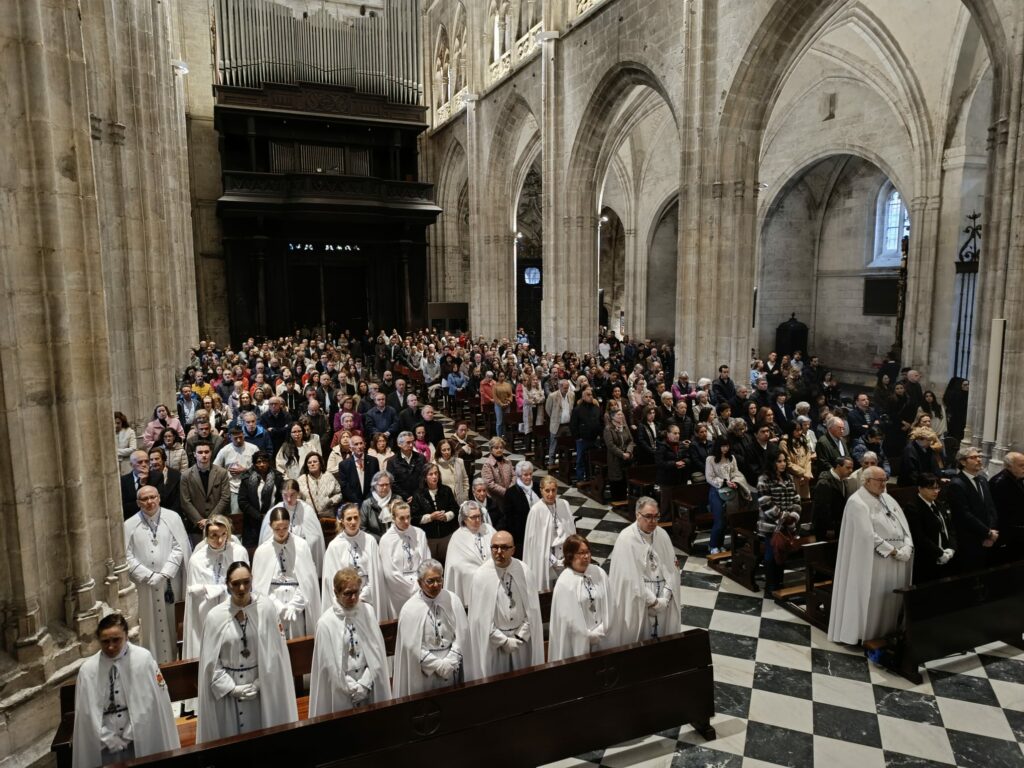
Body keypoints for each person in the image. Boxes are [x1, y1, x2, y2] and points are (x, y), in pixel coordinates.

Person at [197, 562, 297, 742]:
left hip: (261, 690)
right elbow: (210, 662)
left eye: (246, 582)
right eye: (236, 583)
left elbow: (275, 654)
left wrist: (259, 683)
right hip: (228, 696)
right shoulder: (215, 616)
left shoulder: (266, 608)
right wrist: (231, 688)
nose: (242, 588)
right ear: (227, 584)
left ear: (252, 580)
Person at [71, 613, 179, 768]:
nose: (111, 646)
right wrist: (107, 738)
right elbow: (86, 714)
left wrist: (130, 734)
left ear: (126, 636)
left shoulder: (143, 660)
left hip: (140, 740)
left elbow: (151, 704)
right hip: (104, 747)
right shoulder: (88, 671)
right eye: (105, 641)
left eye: (116, 640)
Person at [827, 467, 914, 645]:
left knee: (892, 597)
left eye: (885, 479)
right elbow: (866, 535)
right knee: (873, 598)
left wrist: (907, 545)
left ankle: (888, 632)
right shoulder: (857, 502)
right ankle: (867, 635)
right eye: (879, 480)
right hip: (875, 560)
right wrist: (894, 551)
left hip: (898, 559)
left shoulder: (888, 499)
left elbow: (904, 525)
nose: (884, 483)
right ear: (866, 481)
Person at [308, 567, 392, 717]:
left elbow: (376, 653)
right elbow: (330, 666)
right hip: (342, 689)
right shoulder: (325, 623)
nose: (353, 598)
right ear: (336, 593)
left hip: (369, 684)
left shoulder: (368, 611)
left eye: (356, 592)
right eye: (347, 593)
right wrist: (353, 689)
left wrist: (365, 684)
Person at [124, 486, 192, 663]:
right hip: (144, 586)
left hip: (170, 583)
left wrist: (164, 574)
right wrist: (148, 576)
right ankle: (151, 664)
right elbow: (126, 556)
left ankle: (174, 662)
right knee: (148, 626)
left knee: (172, 622)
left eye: (152, 497)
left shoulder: (173, 518)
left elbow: (179, 547)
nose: (149, 502)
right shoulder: (129, 525)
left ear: (159, 498)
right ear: (138, 503)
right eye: (144, 499)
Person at [468, 530, 544, 677]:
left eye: (504, 547)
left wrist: (520, 636)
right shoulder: (481, 576)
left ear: (513, 550)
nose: (499, 552)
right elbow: (480, 620)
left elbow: (532, 611)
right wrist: (503, 641)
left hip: (521, 642)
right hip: (494, 645)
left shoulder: (524, 570)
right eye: (495, 547)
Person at [393, 560, 473, 696]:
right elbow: (411, 646)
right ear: (420, 583)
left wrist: (450, 661)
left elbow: (462, 634)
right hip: (425, 672)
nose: (436, 585)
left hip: (452, 667)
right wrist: (438, 665)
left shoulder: (453, 600)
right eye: (430, 581)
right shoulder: (410, 608)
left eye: (439, 580)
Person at [609, 496, 680, 643]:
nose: (652, 521)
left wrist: (665, 598)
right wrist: (653, 601)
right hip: (639, 601)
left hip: (663, 601)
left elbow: (673, 570)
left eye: (656, 516)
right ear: (637, 515)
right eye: (648, 516)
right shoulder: (626, 539)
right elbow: (629, 580)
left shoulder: (662, 535)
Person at [183, 514, 249, 661]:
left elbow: (246, 585)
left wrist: (215, 589)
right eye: (213, 535)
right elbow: (197, 600)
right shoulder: (196, 560)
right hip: (207, 617)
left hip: (235, 612)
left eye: (223, 534)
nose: (219, 540)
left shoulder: (239, 552)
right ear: (206, 535)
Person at [252, 507, 321, 639]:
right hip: (273, 608)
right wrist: (276, 605)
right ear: (270, 526)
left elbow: (308, 582)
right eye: (277, 528)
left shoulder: (301, 545)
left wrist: (295, 605)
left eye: (285, 527)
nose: (281, 532)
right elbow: (259, 587)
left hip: (296, 609)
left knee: (298, 645)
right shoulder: (262, 551)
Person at [548, 535, 611, 661]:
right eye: (581, 553)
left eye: (588, 552)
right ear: (570, 555)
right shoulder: (564, 582)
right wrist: (587, 636)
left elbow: (610, 605)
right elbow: (567, 620)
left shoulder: (599, 573)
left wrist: (601, 630)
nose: (586, 556)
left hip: (603, 637)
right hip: (576, 644)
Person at [322, 503, 389, 619]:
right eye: (349, 519)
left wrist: (363, 595)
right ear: (342, 521)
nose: (353, 522)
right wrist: (352, 595)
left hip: (369, 597)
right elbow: (332, 578)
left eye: (356, 517)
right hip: (347, 598)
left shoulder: (370, 541)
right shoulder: (334, 546)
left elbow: (376, 574)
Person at [257, 478, 326, 578]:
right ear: (281, 494)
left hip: (301, 558)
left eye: (292, 495)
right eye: (285, 495)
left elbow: (316, 538)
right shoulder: (275, 511)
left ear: (298, 493)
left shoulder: (307, 510)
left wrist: (299, 545)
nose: (289, 499)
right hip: (279, 558)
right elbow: (266, 540)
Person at [946, 446, 1000, 571]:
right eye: (974, 457)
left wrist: (991, 531)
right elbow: (964, 514)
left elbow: (991, 508)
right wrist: (987, 533)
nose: (979, 460)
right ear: (963, 462)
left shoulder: (982, 480)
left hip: (988, 535)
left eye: (979, 457)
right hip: (970, 538)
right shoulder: (956, 484)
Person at [757, 450, 803, 592]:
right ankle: (771, 586)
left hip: (787, 524)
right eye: (779, 461)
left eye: (784, 461)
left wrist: (793, 515)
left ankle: (779, 583)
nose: (783, 464)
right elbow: (765, 503)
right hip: (771, 525)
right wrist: (783, 517)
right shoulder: (764, 479)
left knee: (782, 554)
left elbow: (796, 499)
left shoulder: (788, 477)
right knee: (771, 556)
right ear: (772, 463)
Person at [523, 475, 577, 591]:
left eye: (553, 490)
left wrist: (567, 556)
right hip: (546, 559)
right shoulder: (536, 510)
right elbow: (535, 544)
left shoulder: (564, 504)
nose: (551, 494)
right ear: (541, 491)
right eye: (547, 490)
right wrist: (553, 561)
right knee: (549, 592)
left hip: (565, 556)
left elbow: (571, 531)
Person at [379, 501, 431, 616]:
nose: (406, 521)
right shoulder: (386, 540)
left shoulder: (419, 533)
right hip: (398, 592)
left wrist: (419, 584)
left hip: (421, 586)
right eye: (402, 518)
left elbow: (426, 562)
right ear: (393, 518)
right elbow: (390, 573)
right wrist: (412, 589)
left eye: (408, 517)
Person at [906, 474, 958, 583]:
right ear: (920, 488)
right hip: (927, 559)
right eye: (931, 488)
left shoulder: (939, 504)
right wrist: (939, 553)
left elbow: (950, 528)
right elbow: (919, 536)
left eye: (937, 488)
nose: (936, 491)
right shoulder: (913, 507)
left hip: (947, 555)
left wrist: (951, 548)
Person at [705, 435, 751, 555]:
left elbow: (736, 473)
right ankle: (712, 545)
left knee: (726, 520)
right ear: (718, 446)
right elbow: (709, 477)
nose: (725, 448)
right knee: (719, 520)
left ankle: (720, 544)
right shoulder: (710, 459)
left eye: (727, 446)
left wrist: (735, 481)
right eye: (723, 446)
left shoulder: (731, 458)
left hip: (730, 491)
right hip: (716, 491)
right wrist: (725, 482)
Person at [444, 501, 495, 605]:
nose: (478, 520)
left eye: (479, 516)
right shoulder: (457, 537)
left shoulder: (488, 529)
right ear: (464, 519)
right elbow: (455, 565)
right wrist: (478, 572)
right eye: (473, 517)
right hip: (470, 581)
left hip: (492, 577)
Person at [180, 442, 231, 540]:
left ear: (211, 453)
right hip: (196, 524)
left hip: (218, 523)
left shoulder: (222, 473)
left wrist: (210, 520)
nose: (203, 455)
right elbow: (185, 501)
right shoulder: (186, 475)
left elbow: (225, 497)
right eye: (200, 452)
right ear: (195, 454)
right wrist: (199, 520)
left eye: (206, 452)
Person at [412, 462, 461, 561]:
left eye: (436, 473)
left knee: (447, 561)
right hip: (428, 537)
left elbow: (455, 509)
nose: (434, 476)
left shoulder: (446, 490)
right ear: (425, 477)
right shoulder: (418, 494)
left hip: (446, 535)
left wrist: (446, 516)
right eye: (430, 474)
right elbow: (414, 518)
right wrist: (430, 517)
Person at [237, 451, 282, 549]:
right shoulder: (247, 477)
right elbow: (242, 501)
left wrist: (271, 515)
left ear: (269, 462)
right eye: (259, 462)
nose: (262, 464)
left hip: (272, 519)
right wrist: (258, 516)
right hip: (252, 521)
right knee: (253, 550)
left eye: (264, 461)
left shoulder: (277, 477)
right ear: (254, 464)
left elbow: (280, 499)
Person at [213, 425, 258, 516]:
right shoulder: (225, 451)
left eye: (240, 437)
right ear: (230, 437)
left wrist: (245, 470)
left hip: (251, 487)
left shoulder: (253, 449)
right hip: (233, 488)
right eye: (235, 438)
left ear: (243, 435)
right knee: (236, 516)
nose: (238, 440)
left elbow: (260, 467)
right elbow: (215, 468)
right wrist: (225, 474)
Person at [989, 451, 1024, 559]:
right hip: (1006, 532)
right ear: (1009, 466)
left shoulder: (1018, 477)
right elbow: (995, 511)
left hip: (1018, 529)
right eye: (1021, 465)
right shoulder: (999, 482)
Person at [812, 456, 855, 541]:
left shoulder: (844, 480)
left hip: (838, 526)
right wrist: (829, 528)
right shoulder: (824, 483)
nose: (851, 470)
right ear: (838, 466)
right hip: (826, 529)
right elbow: (822, 509)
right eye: (848, 468)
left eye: (852, 468)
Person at [120, 450, 163, 521]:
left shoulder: (157, 477)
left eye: (146, 461)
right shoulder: (123, 481)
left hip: (153, 517)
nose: (144, 465)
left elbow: (160, 500)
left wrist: (144, 484)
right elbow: (124, 506)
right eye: (140, 462)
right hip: (132, 518)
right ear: (131, 465)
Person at [337, 433, 379, 505]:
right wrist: (358, 502)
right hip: (353, 503)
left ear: (364, 445)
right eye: (356, 444)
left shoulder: (373, 461)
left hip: (370, 502)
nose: (359, 446)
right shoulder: (343, 465)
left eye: (361, 443)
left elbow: (376, 482)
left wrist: (367, 502)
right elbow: (345, 488)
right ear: (350, 448)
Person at [603, 409, 634, 505]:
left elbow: (630, 441)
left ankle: (624, 500)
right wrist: (622, 454)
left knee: (625, 479)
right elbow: (610, 445)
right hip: (615, 458)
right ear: (612, 417)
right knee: (616, 480)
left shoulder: (624, 426)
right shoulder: (608, 429)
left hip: (626, 458)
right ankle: (616, 501)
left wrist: (628, 452)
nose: (621, 416)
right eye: (619, 415)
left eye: (622, 414)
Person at [298, 452, 342, 519]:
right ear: (306, 465)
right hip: (309, 517)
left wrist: (331, 501)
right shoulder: (301, 480)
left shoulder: (329, 476)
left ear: (320, 463)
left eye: (315, 461)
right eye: (309, 463)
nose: (312, 464)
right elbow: (297, 499)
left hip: (327, 517)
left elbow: (339, 493)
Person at [545, 379, 575, 466]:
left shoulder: (572, 394)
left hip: (568, 424)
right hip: (557, 424)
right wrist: (555, 418)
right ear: (560, 387)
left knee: (567, 444)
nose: (566, 390)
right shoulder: (552, 396)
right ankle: (551, 462)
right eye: (565, 388)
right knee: (554, 444)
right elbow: (548, 409)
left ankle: (566, 463)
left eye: (568, 388)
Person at [390, 430, 427, 501]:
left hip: (420, 496)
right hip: (400, 498)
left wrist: (417, 495)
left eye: (412, 442)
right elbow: (392, 482)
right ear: (399, 444)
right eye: (408, 442)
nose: (411, 445)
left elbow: (424, 477)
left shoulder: (421, 458)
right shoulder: (392, 461)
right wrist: (406, 496)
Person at [359, 470, 397, 538]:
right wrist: (380, 540)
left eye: (387, 484)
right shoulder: (367, 504)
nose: (385, 487)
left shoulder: (397, 500)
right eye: (381, 485)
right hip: (374, 541)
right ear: (375, 486)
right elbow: (362, 528)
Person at [480, 436, 515, 503]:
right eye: (496, 448)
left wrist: (510, 489)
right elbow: (489, 484)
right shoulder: (487, 464)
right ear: (491, 449)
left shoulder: (508, 461)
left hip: (509, 496)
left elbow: (514, 476)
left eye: (501, 447)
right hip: (495, 500)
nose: (499, 450)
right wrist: (505, 492)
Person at [436, 438, 470, 504]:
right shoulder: (435, 465)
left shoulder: (459, 462)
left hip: (460, 499)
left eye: (449, 449)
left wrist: (465, 495)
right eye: (444, 450)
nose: (447, 452)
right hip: (444, 500)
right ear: (439, 451)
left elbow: (465, 479)